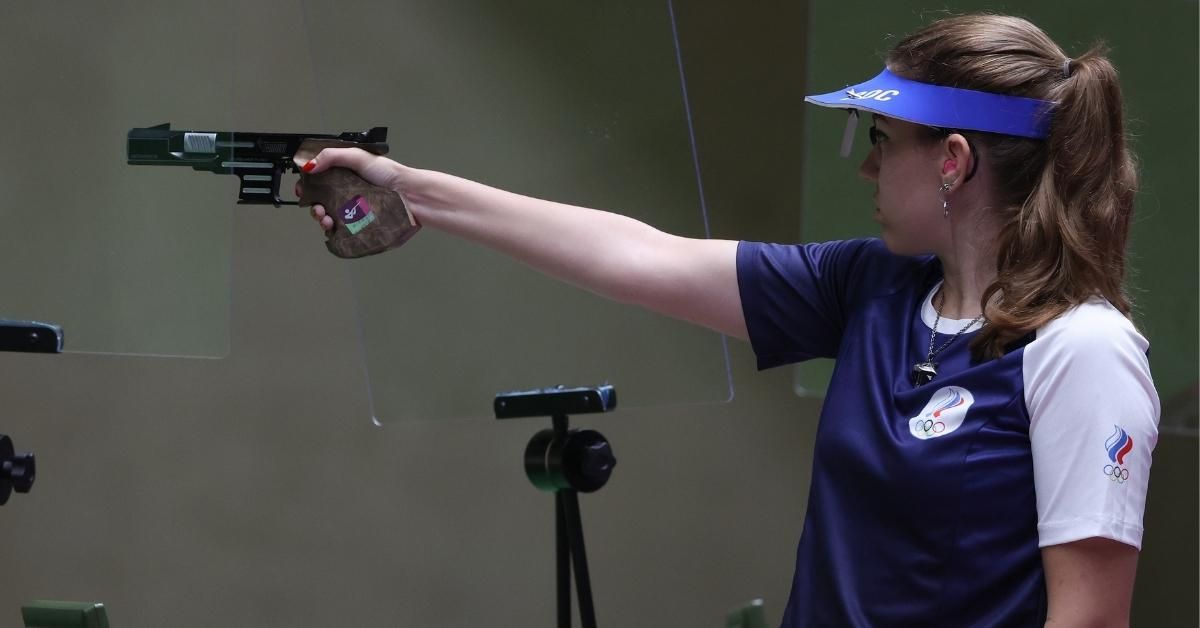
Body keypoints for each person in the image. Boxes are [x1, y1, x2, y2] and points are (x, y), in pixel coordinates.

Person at [299, 13, 1159, 627]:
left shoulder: (1083, 350)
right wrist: (411, 190)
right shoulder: (871, 285)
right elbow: (634, 256)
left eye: (880, 140)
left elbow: (1087, 617)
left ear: (953, 162)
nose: (866, 171)